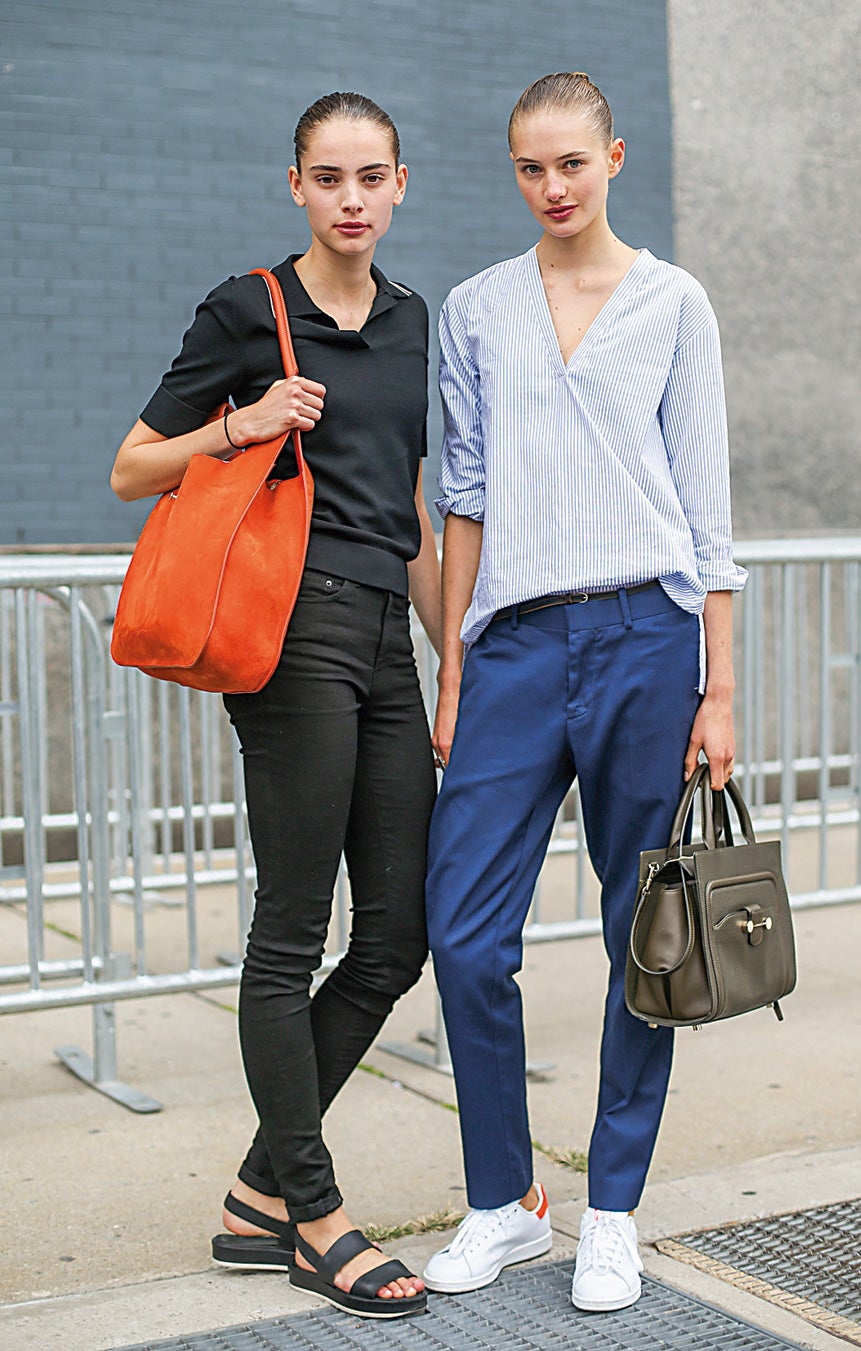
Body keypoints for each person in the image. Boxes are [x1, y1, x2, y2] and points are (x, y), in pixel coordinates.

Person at [110, 92, 441, 1321]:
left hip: (387, 645)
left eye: (372, 177)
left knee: (398, 932)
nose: (351, 198)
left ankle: (259, 1191)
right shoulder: (248, 308)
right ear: (294, 186)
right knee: (292, 930)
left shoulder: (413, 323)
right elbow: (132, 461)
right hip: (290, 638)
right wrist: (238, 423)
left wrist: (447, 655)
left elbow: (405, 503)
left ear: (401, 184)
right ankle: (315, 1213)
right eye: (328, 177)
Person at [423, 72, 747, 1313]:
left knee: (641, 934)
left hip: (646, 641)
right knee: (463, 932)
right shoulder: (476, 309)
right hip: (509, 649)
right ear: (513, 172)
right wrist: (452, 663)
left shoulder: (673, 303)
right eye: (529, 167)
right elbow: (464, 495)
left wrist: (718, 691)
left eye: (572, 162)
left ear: (613, 156)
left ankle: (612, 1208)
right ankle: (503, 1200)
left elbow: (709, 519)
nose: (553, 186)